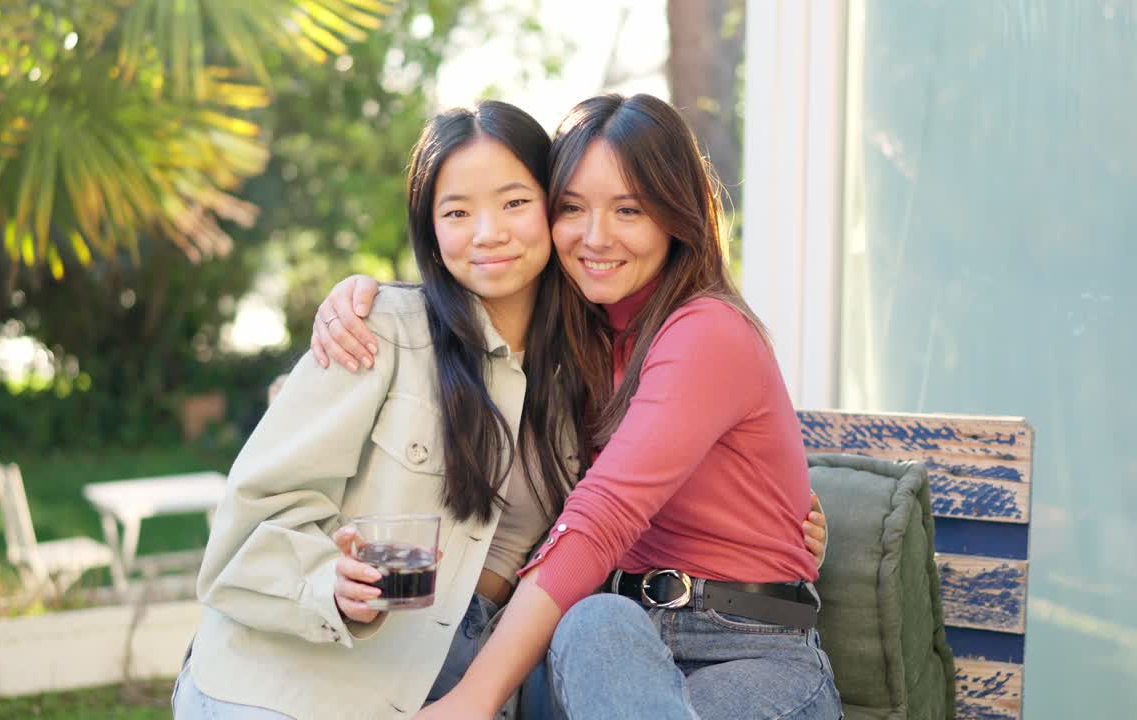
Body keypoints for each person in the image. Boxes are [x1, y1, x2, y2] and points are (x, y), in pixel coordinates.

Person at [311, 93, 841, 720]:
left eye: (628, 209)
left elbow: (602, 516)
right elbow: (480, 281)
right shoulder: (576, 342)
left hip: (747, 652)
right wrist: (364, 296)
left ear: (676, 215)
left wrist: (472, 703)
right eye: (572, 209)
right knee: (596, 621)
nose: (595, 237)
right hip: (608, 647)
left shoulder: (708, 331)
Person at [173, 101, 586, 719]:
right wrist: (328, 583)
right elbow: (243, 529)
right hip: (294, 674)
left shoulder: (585, 368)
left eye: (514, 202)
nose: (487, 232)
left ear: (556, 206)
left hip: (471, 671)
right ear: (429, 228)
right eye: (457, 212)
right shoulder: (374, 332)